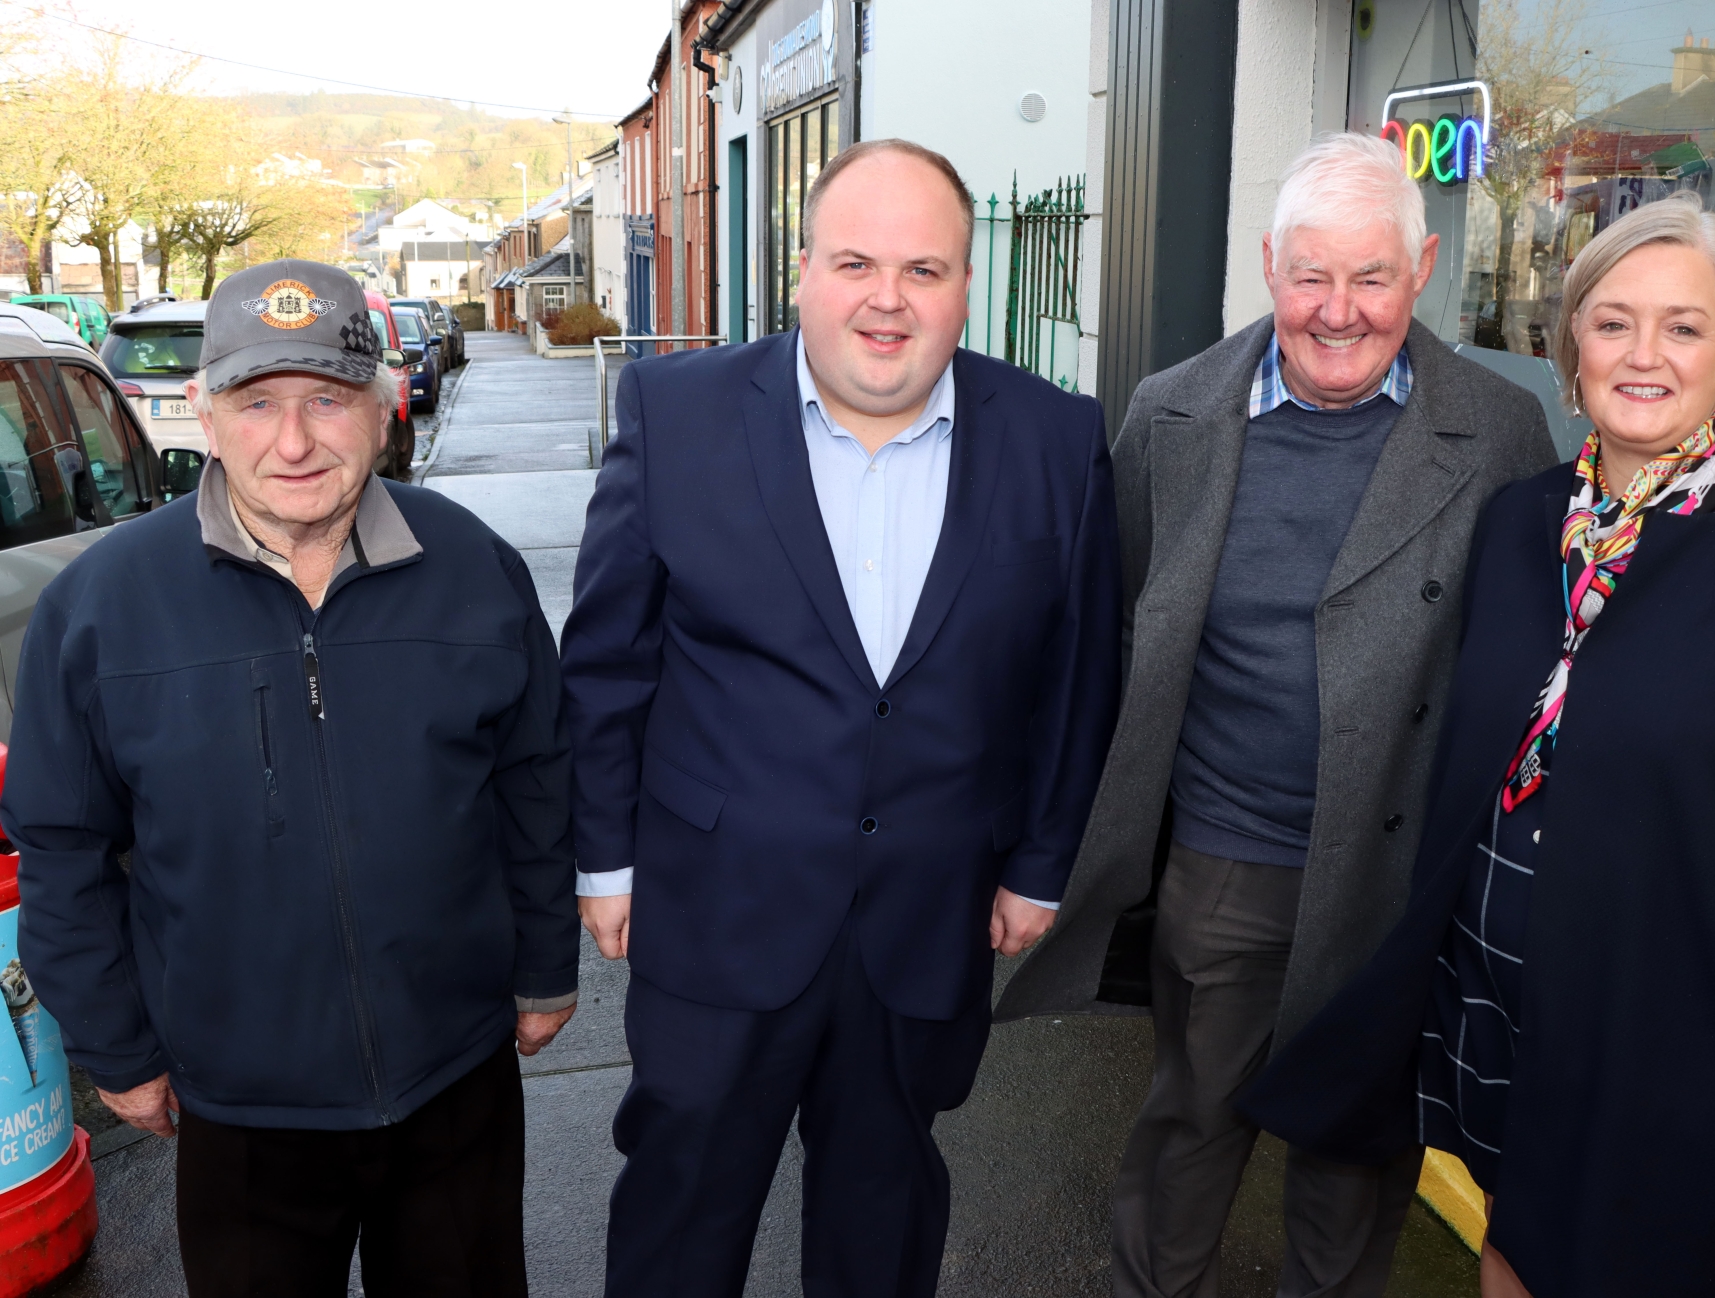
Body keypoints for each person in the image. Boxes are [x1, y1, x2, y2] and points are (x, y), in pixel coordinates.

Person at [1239, 193, 1715, 1298]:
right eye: (1613, 322)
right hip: (1491, 990)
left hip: (1660, 1028)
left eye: (1683, 327)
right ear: (1572, 345)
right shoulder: (1521, 520)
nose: (1644, 355)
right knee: (1514, 1245)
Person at [996, 132, 1560, 1298]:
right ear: (1269, 265)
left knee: (1355, 1162)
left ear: (1423, 270)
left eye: (1372, 277)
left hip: (1396, 876)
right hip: (1226, 860)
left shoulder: (1501, 429)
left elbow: (1523, 656)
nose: (1338, 310)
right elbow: (1112, 632)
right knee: (1190, 1128)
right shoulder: (1172, 413)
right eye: (1312, 275)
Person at [562, 138, 1121, 1298]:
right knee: (681, 1208)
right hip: (715, 904)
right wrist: (605, 858)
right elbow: (610, 657)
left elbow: (1077, 674)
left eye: (924, 269)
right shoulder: (676, 412)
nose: (887, 298)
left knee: (883, 1211)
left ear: (966, 284)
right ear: (804, 270)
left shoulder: (1057, 438)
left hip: (929, 911)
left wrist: (1042, 863)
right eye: (856, 262)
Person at [0, 260, 578, 1297]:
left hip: (455, 1076)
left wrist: (544, 963)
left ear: (384, 404)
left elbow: (534, 778)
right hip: (238, 1106)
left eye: (327, 398)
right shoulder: (102, 606)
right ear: (205, 414)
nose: (295, 441)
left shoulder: (472, 566)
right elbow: (61, 845)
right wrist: (117, 1048)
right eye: (258, 402)